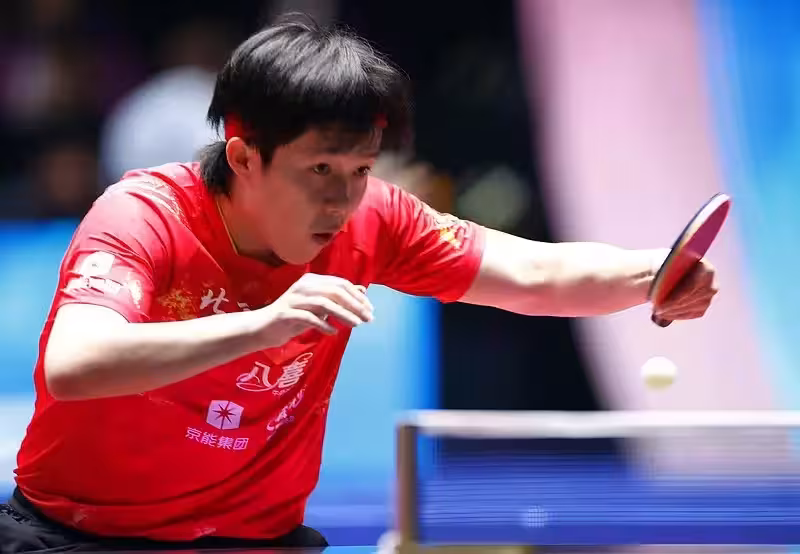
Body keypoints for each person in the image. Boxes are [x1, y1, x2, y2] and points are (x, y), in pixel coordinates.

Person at [1, 15, 717, 552]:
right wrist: (264, 324)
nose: (342, 200)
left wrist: (653, 273)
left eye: (361, 170)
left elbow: (529, 272)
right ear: (244, 157)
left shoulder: (373, 217)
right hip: (81, 535)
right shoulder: (144, 216)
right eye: (319, 170)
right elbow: (76, 363)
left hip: (253, 540)